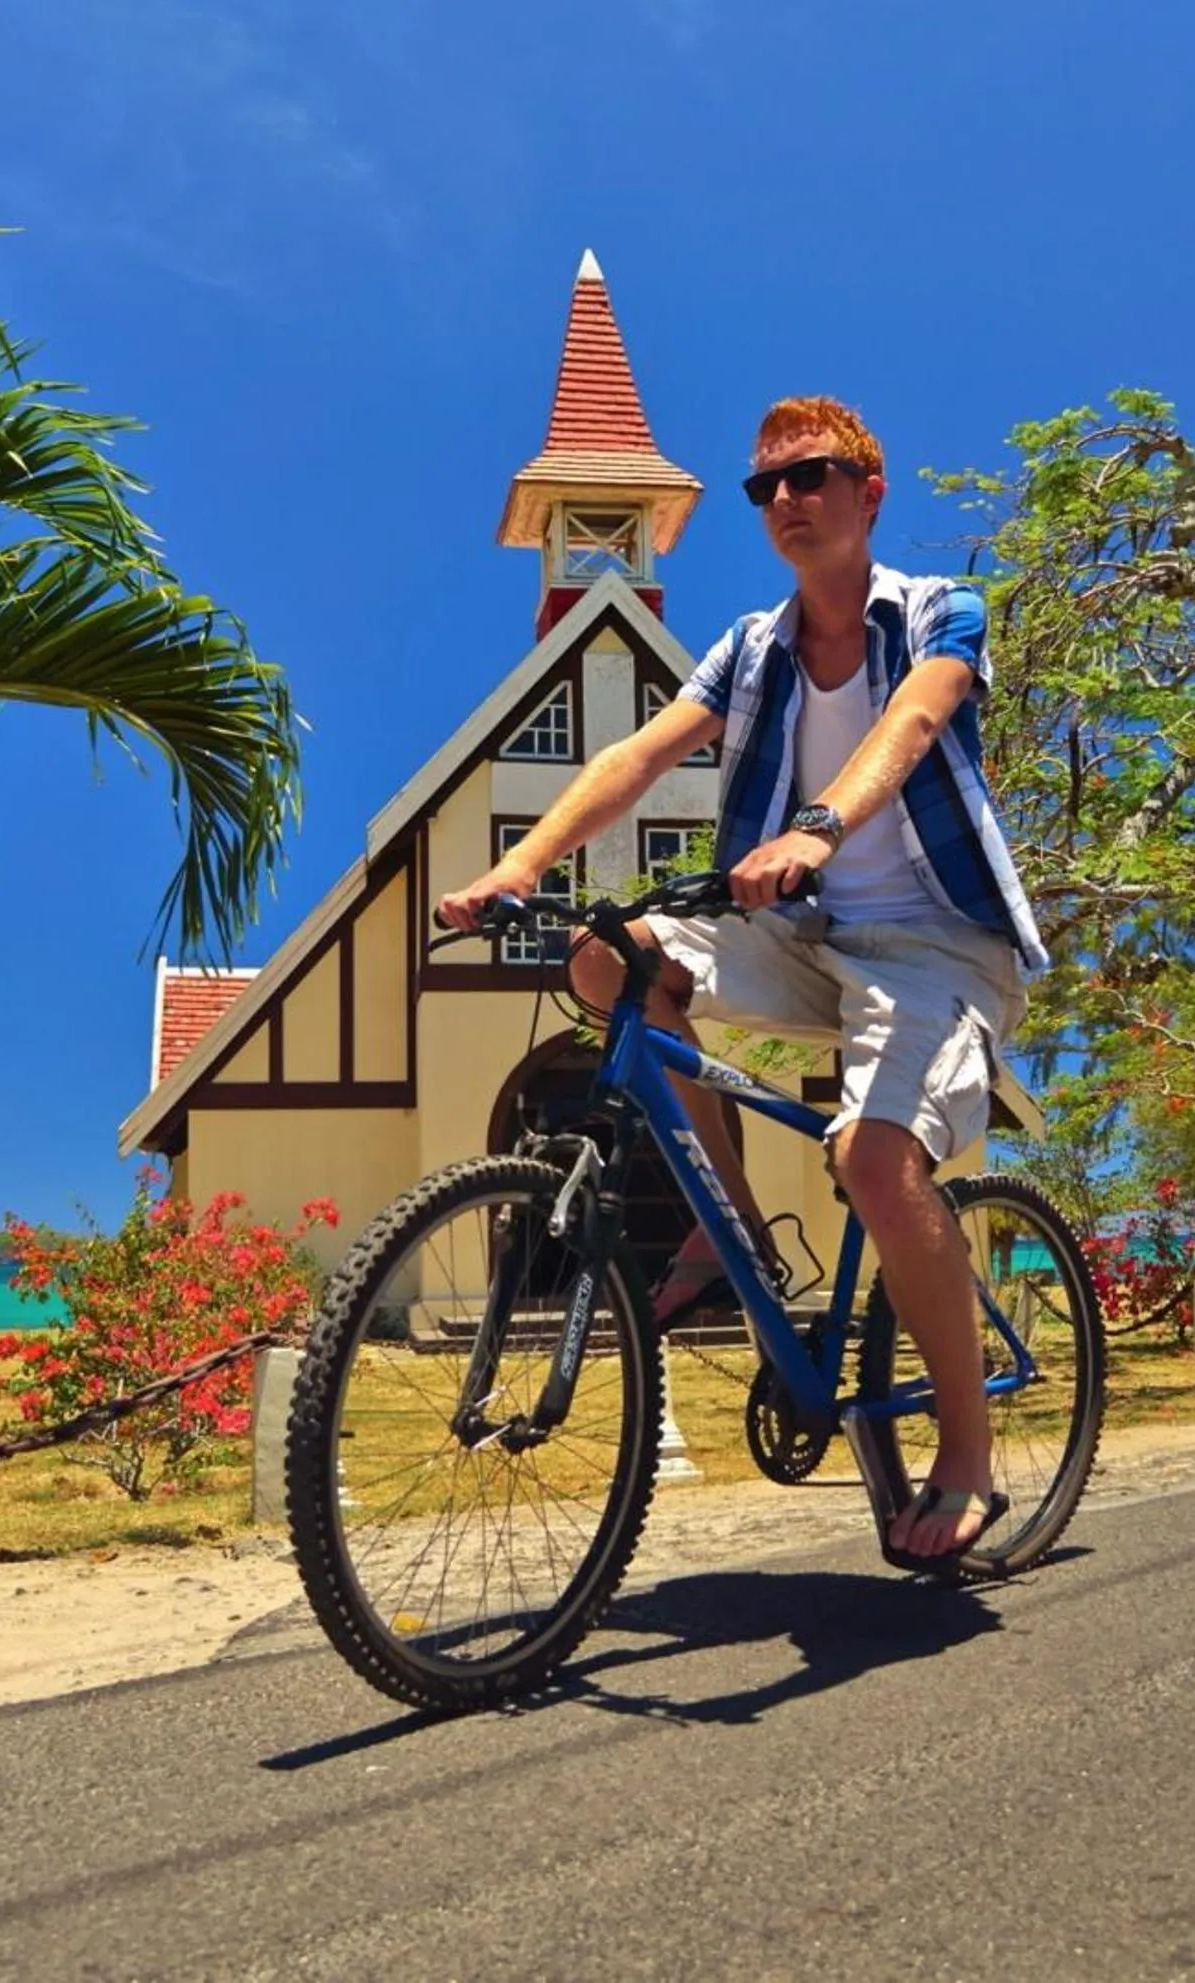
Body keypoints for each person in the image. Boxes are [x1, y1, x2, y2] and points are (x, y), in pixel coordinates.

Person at [437, 396, 1048, 1568]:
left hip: (934, 941)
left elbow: (917, 721)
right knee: (609, 959)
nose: (784, 501)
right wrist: (516, 866)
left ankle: (964, 1451)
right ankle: (727, 1232)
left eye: (810, 476)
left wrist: (818, 826)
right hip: (801, 930)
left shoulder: (937, 610)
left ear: (869, 493)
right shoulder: (748, 648)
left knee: (870, 1156)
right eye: (762, 486)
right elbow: (637, 751)